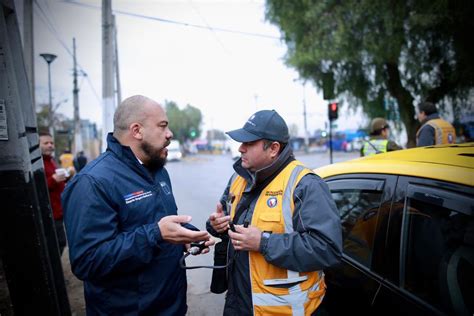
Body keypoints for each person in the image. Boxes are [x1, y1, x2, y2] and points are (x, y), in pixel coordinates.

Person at [62, 95, 214, 315]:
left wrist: (188, 236)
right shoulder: (93, 182)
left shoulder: (158, 171)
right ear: (136, 131)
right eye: (163, 126)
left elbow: (158, 222)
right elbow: (88, 261)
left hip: (172, 306)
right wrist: (156, 234)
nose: (170, 134)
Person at [207, 110, 342, 315]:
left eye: (249, 143)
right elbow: (224, 219)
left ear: (273, 148)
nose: (240, 148)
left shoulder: (305, 184)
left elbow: (327, 248)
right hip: (238, 304)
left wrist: (264, 242)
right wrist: (216, 226)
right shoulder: (238, 178)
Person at [39, 132, 68, 255]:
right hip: (49, 213)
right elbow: (38, 187)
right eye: (46, 143)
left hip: (58, 210)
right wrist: (53, 179)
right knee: (58, 243)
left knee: (60, 242)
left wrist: (66, 178)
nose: (50, 145)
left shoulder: (51, 160)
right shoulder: (38, 163)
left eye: (51, 143)